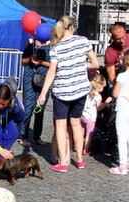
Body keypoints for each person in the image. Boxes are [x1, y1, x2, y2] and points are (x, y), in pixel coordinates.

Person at [37, 15, 100, 172]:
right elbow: (95, 63)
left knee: (60, 125)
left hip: (62, 91)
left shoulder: (55, 47)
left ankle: (63, 162)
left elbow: (51, 72)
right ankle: (79, 159)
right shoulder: (83, 41)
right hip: (80, 90)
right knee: (76, 124)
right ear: (72, 27)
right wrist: (80, 64)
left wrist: (43, 94)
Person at [19, 37, 51, 147]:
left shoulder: (51, 46)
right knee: (28, 108)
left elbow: (54, 64)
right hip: (29, 79)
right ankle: (23, 137)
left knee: (40, 110)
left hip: (44, 81)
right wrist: (30, 59)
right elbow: (23, 61)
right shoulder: (30, 44)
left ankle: (37, 137)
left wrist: (40, 62)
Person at [81, 72, 107, 156]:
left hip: (82, 115)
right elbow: (98, 108)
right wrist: (106, 103)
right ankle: (85, 149)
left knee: (81, 132)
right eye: (103, 86)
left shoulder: (87, 92)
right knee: (89, 134)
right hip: (91, 118)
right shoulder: (98, 96)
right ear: (99, 85)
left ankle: (77, 146)